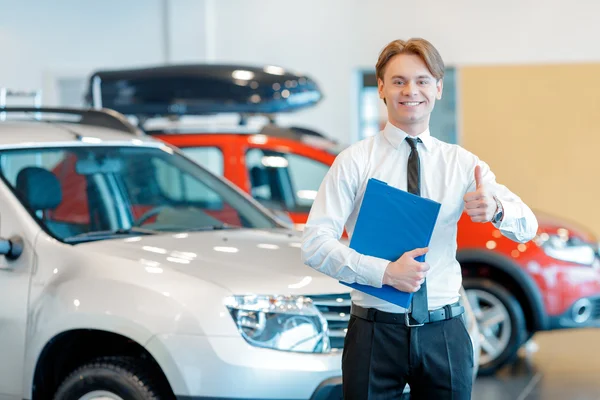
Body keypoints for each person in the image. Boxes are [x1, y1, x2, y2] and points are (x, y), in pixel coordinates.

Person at [301, 38, 538, 399]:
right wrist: (384, 273)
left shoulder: (461, 163)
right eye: (398, 81)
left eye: (423, 80)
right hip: (374, 333)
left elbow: (529, 227)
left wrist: (497, 209)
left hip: (444, 330)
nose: (411, 90)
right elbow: (315, 244)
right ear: (381, 87)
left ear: (439, 88)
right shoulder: (354, 161)